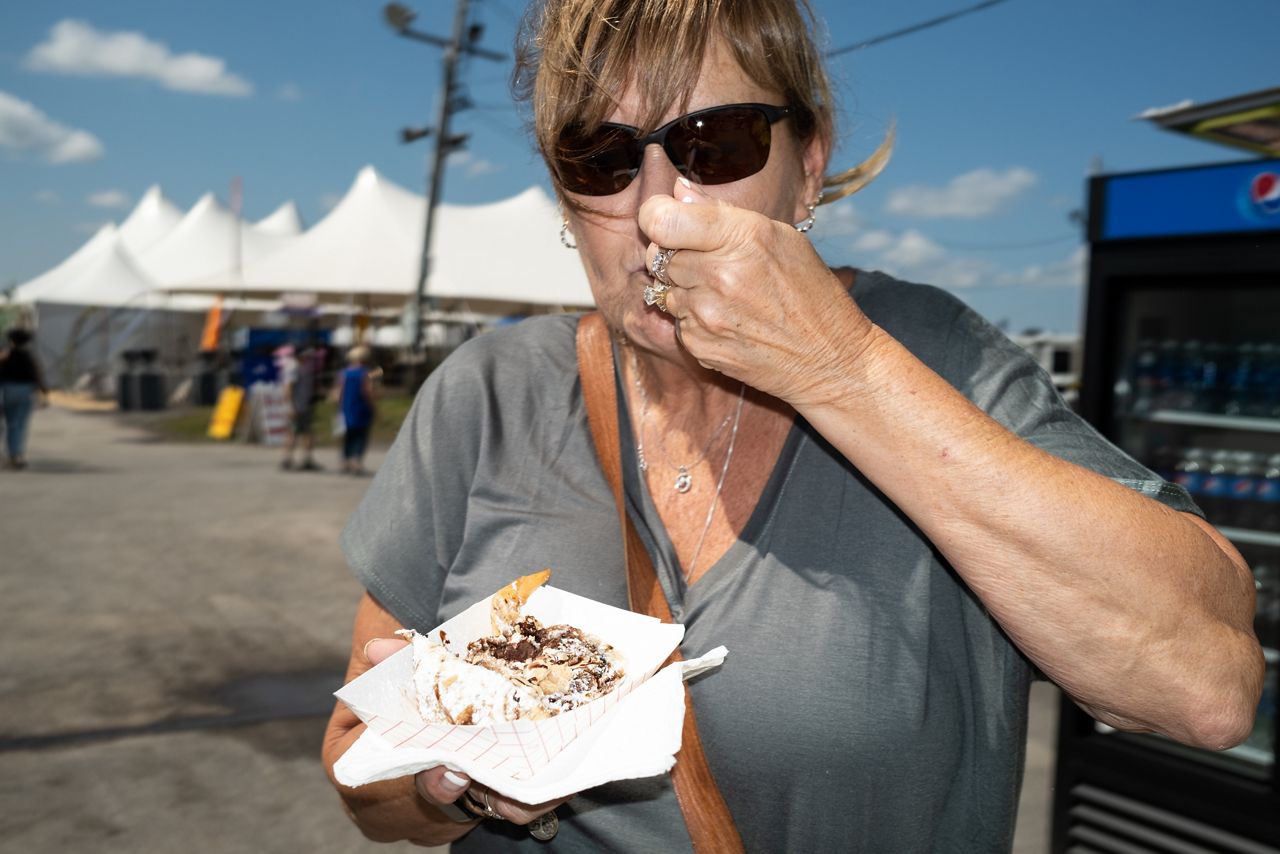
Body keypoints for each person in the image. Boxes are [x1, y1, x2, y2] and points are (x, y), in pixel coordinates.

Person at [322, 1, 1264, 850]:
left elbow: (1206, 688)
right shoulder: (490, 390)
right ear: (568, 200)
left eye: (715, 142)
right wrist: (453, 788)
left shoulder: (935, 355)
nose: (657, 207)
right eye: (602, 158)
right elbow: (362, 773)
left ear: (807, 170)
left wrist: (840, 370)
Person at [0, 328, 49, 470]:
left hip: (8, 390)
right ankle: (16, 454)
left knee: (10, 424)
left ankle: (12, 455)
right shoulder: (29, 357)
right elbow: (37, 373)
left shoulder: (5, 355)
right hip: (26, 390)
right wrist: (43, 391)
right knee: (20, 424)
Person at [280, 343, 321, 471]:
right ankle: (287, 459)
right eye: (307, 355)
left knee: (307, 433)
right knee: (293, 433)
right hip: (297, 407)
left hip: (304, 406)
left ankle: (307, 459)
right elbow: (288, 388)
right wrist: (291, 406)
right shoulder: (293, 367)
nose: (309, 357)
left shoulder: (304, 367)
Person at [337, 345, 377, 475]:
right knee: (361, 436)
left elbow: (339, 393)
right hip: (361, 408)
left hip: (346, 408)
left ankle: (345, 461)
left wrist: (339, 407)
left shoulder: (344, 373)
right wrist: (373, 406)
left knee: (348, 436)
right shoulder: (366, 373)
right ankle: (356, 462)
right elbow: (368, 391)